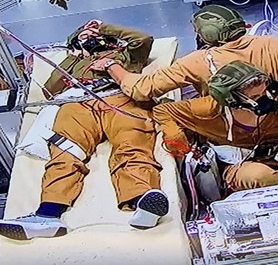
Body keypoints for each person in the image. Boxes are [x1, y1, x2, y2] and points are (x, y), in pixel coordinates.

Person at [0, 20, 169, 241]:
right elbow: (49, 90)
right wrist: (74, 56)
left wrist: (103, 28)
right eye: (82, 36)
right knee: (65, 152)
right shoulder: (72, 63)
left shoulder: (125, 55)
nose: (88, 37)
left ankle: (142, 201)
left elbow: (143, 39)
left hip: (119, 97)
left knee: (132, 145)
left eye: (92, 34)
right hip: (77, 103)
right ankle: (47, 216)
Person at [153, 61, 278, 196]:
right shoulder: (207, 110)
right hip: (240, 164)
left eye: (265, 92)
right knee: (260, 176)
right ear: (231, 99)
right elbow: (163, 110)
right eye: (257, 97)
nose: (267, 99)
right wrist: (175, 136)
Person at [89, 5, 278, 105]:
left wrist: (110, 65)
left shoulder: (197, 62)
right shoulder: (277, 45)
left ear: (206, 34)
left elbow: (140, 89)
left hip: (236, 134)